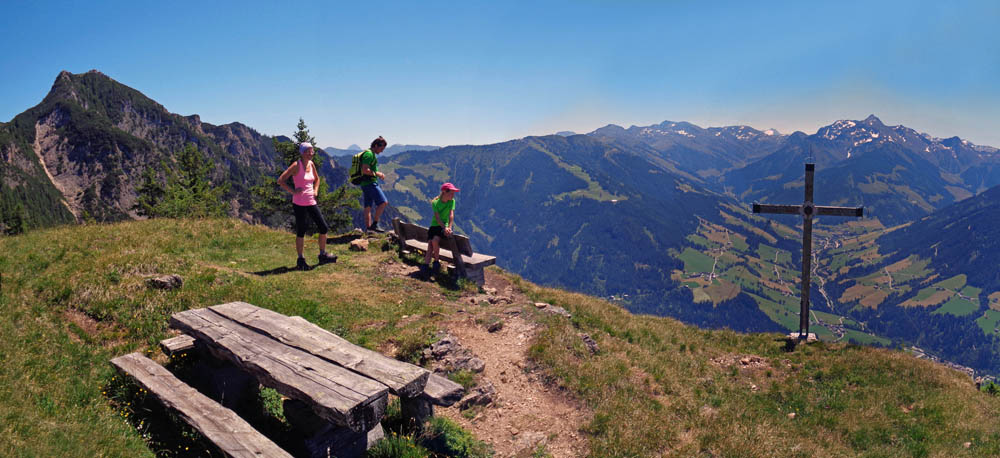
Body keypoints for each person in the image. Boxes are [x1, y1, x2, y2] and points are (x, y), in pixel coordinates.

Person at [278, 142, 337, 270]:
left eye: (312, 151)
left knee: (323, 227)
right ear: (303, 152)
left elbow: (317, 179)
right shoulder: (296, 165)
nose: (312, 153)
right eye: (309, 151)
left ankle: (322, 255)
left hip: (311, 202)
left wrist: (315, 190)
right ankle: (300, 259)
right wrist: (293, 191)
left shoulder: (311, 164)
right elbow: (281, 180)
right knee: (301, 231)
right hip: (299, 203)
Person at [421, 182, 460, 277]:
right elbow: (437, 218)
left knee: (433, 241)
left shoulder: (452, 201)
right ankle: (435, 263)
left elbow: (451, 215)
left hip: (444, 227)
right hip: (436, 226)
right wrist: (445, 227)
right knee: (431, 244)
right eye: (451, 193)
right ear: (444, 192)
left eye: (453, 193)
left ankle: (429, 266)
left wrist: (449, 227)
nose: (453, 195)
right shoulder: (435, 203)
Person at [358, 136, 388, 232]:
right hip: (370, 183)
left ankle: (368, 229)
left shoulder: (368, 153)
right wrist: (378, 174)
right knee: (383, 202)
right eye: (381, 148)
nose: (382, 151)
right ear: (376, 145)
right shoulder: (369, 155)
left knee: (368, 206)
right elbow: (365, 170)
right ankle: (374, 225)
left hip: (365, 184)